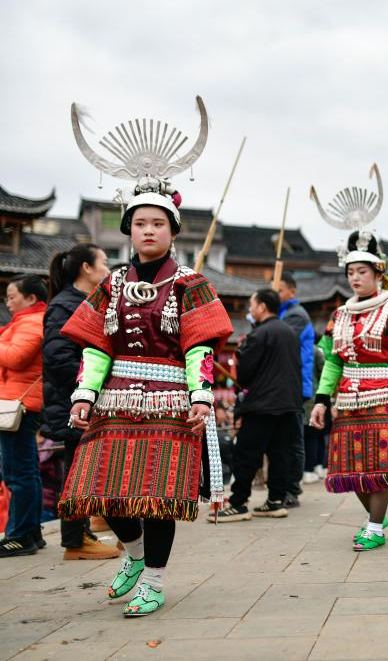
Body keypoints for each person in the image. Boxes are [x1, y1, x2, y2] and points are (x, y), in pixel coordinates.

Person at [60, 182, 233, 616]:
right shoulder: (112, 283)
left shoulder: (190, 282)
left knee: (158, 497)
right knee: (101, 492)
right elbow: (97, 347)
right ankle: (134, 554)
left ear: (173, 232)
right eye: (140, 224)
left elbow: (199, 348)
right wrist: (85, 395)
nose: (149, 231)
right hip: (115, 398)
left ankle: (154, 580)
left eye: (158, 223)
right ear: (129, 231)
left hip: (171, 399)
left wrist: (200, 395)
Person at [309, 232, 388, 551]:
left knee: (379, 467)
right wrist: (322, 398)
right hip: (348, 400)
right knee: (349, 467)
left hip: (386, 398)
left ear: (379, 273)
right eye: (350, 272)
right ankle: (377, 517)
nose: (355, 278)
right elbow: (333, 362)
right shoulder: (340, 315)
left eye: (362, 271)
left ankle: (375, 526)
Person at [42, 244, 120, 560]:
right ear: (86, 268)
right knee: (79, 472)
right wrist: (91, 387)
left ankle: (85, 531)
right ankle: (75, 540)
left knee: (87, 470)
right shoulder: (64, 306)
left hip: (86, 403)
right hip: (74, 404)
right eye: (103, 262)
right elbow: (58, 359)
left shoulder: (87, 302)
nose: (107, 268)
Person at [209, 289, 304, 521]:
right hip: (288, 403)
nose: (250, 310)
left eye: (252, 305)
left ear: (262, 306)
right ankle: (275, 500)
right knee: (279, 453)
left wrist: (240, 356)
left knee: (246, 453)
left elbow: (245, 373)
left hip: (263, 404)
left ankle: (238, 502)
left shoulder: (259, 334)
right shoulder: (290, 332)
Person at [0, 275, 48, 557]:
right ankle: (30, 531)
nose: (8, 302)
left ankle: (19, 535)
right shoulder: (25, 322)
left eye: (12, 296)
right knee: (25, 470)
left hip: (19, 407)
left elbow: (16, 357)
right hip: (20, 404)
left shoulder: (32, 322)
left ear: (31, 298)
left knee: (18, 473)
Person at [278, 271, 316, 499]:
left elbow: (281, 341)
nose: (277, 294)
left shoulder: (296, 315)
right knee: (286, 438)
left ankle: (292, 488)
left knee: (293, 439)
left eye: (280, 290)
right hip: (288, 383)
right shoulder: (286, 313)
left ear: (292, 291)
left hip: (295, 384)